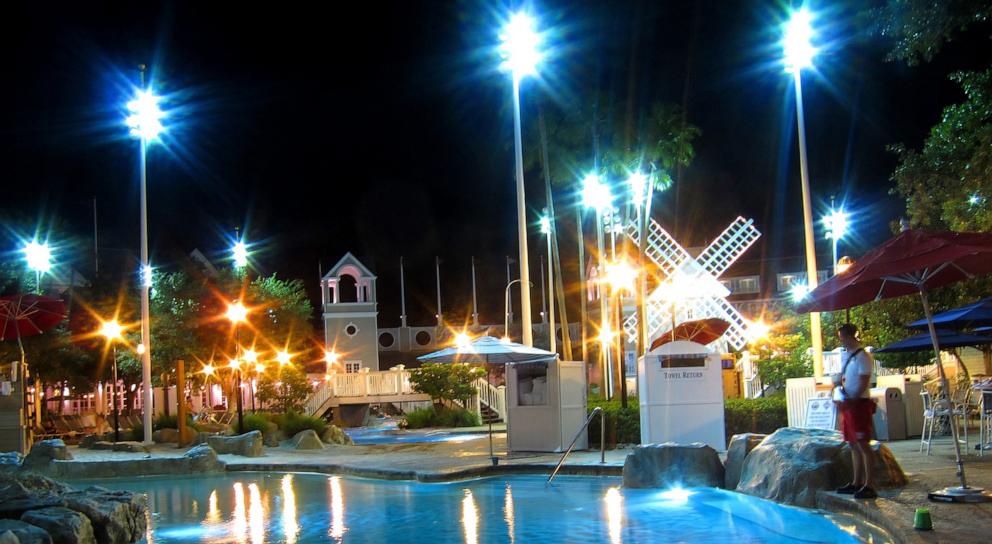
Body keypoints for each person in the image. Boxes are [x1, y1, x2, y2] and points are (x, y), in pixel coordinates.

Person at [833, 323, 877, 499]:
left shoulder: (862, 356)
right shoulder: (849, 356)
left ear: (851, 336)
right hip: (850, 402)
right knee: (852, 443)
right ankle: (856, 481)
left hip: (858, 403)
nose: (841, 340)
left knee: (862, 443)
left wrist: (854, 399)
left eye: (843, 337)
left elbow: (864, 380)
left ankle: (869, 484)